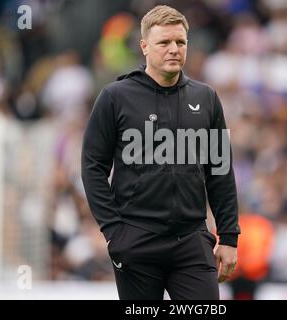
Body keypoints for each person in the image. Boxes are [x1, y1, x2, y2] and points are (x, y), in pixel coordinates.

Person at [81, 5, 240, 300]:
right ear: (144, 46)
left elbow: (220, 170)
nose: (174, 49)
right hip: (136, 240)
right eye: (164, 42)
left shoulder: (206, 98)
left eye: (180, 42)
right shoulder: (115, 97)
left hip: (192, 241)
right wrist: (114, 231)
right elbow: (92, 168)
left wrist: (229, 236)